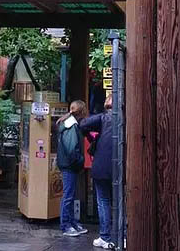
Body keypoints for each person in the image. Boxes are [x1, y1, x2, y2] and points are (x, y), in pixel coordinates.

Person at [79, 94, 114, 249]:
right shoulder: (127, 119)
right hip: (121, 167)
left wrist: (92, 138)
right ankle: (123, 236)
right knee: (121, 201)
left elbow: (83, 124)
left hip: (101, 167)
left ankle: (105, 237)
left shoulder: (102, 118)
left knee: (103, 201)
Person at [56, 100, 88, 238]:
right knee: (68, 196)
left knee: (70, 195)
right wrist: (80, 161)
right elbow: (71, 150)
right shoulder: (71, 126)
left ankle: (71, 223)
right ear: (81, 112)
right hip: (70, 165)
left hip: (67, 164)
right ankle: (66, 225)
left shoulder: (68, 123)